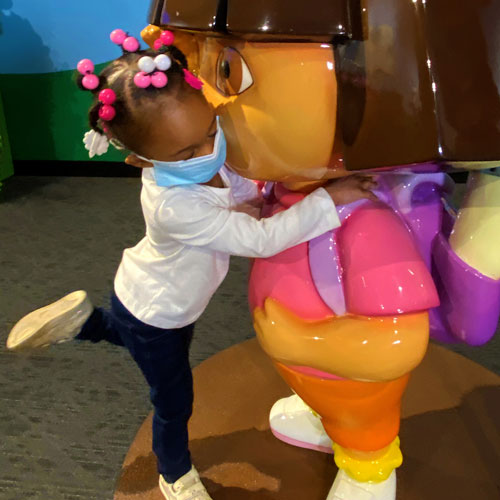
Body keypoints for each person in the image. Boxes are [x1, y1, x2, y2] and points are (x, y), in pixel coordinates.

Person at [6, 29, 377, 500]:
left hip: (150, 295)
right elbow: (260, 239)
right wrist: (328, 200)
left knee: (127, 334)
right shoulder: (173, 206)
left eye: (209, 133)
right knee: (172, 400)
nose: (208, 152)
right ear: (140, 161)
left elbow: (245, 192)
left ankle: (83, 322)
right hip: (158, 311)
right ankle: (174, 474)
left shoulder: (208, 157)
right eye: (186, 153)